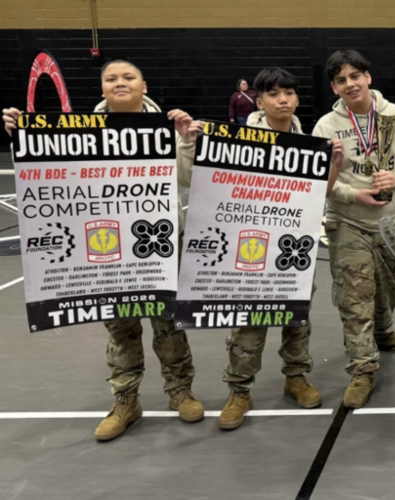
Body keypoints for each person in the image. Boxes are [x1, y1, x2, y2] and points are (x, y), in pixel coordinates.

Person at [4, 59, 203, 442]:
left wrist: (187, 140)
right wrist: (22, 135)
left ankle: (180, 391)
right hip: (107, 246)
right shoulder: (75, 133)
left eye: (128, 77)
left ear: (144, 85)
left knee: (168, 324)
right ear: (102, 90)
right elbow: (50, 179)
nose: (120, 82)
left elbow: (187, 178)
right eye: (111, 78)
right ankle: (126, 399)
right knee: (120, 326)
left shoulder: (167, 127)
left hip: (159, 244)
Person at [218, 67, 345, 430]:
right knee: (249, 320)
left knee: (296, 315)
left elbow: (321, 191)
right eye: (273, 94)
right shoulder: (241, 141)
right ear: (259, 102)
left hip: (293, 247)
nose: (283, 99)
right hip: (252, 247)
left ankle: (296, 376)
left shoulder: (306, 141)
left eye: (288, 93)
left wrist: (334, 165)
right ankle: (239, 390)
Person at [312, 49, 395, 408]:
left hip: (392, 224)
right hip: (347, 221)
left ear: (368, 77)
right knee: (356, 297)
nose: (349, 84)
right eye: (340, 80)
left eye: (355, 76)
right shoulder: (327, 126)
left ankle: (383, 332)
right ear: (334, 87)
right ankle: (362, 370)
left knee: (386, 286)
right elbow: (320, 181)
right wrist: (354, 195)